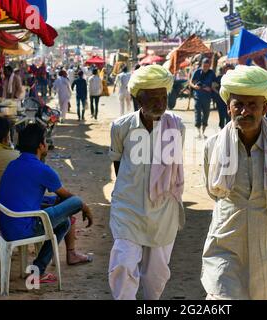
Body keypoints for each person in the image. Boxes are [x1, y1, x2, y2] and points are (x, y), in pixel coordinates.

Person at [202, 65, 267, 300]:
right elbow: (213, 191)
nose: (245, 111)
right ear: (228, 106)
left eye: (252, 105)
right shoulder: (214, 146)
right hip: (226, 241)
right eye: (238, 104)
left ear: (265, 108)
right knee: (222, 295)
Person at [108, 65, 185, 300]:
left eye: (164, 97)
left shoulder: (177, 126)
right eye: (153, 98)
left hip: (163, 211)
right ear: (138, 97)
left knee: (156, 276)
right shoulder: (121, 127)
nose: (160, 104)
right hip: (128, 209)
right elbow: (118, 164)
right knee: (123, 263)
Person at [0, 123, 94, 283]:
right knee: (77, 201)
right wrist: (86, 208)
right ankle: (45, 267)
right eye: (46, 141)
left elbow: (27, 195)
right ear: (41, 145)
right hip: (25, 228)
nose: (48, 144)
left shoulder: (13, 164)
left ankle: (38, 271)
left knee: (64, 224)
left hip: (5, 227)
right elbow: (70, 198)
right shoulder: (42, 170)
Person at [189, 58, 216, 138]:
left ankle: (203, 132)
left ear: (209, 66)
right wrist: (194, 86)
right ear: (201, 65)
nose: (205, 68)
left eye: (207, 66)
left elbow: (215, 83)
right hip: (197, 95)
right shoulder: (197, 72)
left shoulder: (211, 73)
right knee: (197, 113)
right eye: (204, 66)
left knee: (206, 114)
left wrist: (210, 88)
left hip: (207, 97)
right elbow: (190, 82)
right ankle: (198, 133)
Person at [213, 64, 234, 130]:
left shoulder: (234, 78)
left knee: (229, 114)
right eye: (227, 68)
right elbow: (213, 87)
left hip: (230, 99)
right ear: (224, 69)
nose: (228, 70)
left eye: (230, 68)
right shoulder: (219, 77)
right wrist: (219, 93)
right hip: (220, 99)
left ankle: (228, 128)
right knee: (221, 114)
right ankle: (221, 127)